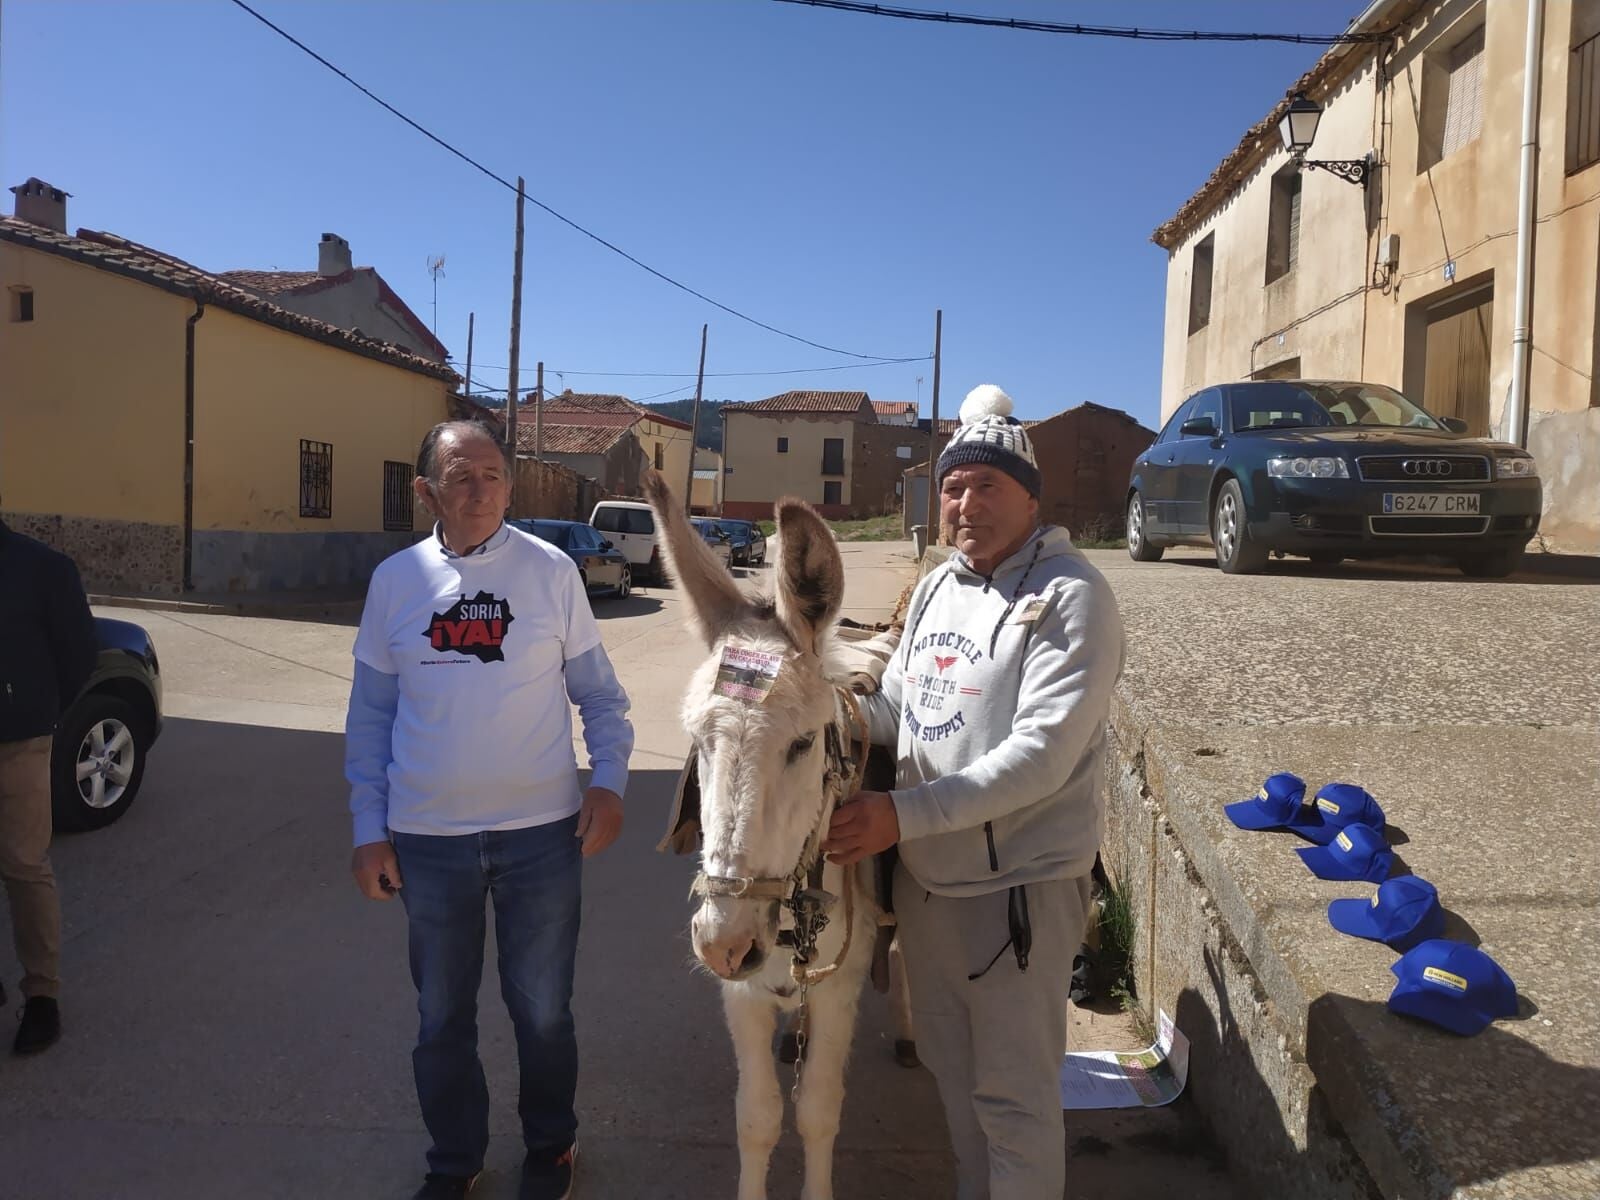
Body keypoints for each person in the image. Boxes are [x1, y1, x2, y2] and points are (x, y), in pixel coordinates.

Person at [822, 385, 1126, 1200]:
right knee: (953, 1083)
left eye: (987, 485)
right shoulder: (935, 588)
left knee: (1015, 1100)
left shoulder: (1071, 596)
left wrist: (899, 816)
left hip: (1018, 894)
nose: (965, 502)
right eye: (954, 486)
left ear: (1031, 496)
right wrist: (830, 713)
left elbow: (1041, 759)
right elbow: (902, 713)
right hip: (928, 887)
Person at [344, 420, 634, 1200]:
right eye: (462, 475)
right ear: (426, 490)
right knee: (442, 1019)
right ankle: (455, 1161)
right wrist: (369, 831)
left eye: (495, 475)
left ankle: (551, 1149)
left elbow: (600, 697)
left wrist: (608, 781)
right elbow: (370, 717)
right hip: (427, 841)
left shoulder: (550, 573)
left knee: (542, 1013)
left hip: (541, 838)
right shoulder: (396, 583)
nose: (481, 489)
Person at [0, 507, 97, 1055]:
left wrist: (38, 713)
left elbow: (78, 655)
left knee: (23, 865)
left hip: (18, 743)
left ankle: (42, 997)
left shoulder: (42, 569)